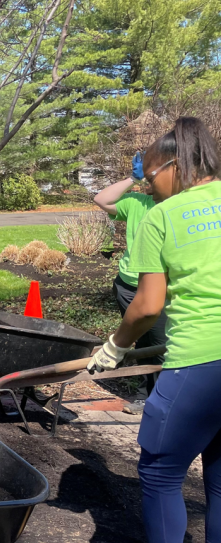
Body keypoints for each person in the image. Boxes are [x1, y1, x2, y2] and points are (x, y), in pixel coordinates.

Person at [87, 117, 221, 543]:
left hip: (200, 363)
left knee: (161, 472)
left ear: (176, 166)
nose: (151, 185)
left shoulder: (163, 216)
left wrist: (115, 346)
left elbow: (146, 306)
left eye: (151, 175)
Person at [93, 151, 167, 410]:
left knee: (158, 343)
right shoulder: (136, 202)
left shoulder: (175, 207)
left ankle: (153, 397)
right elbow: (101, 198)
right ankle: (146, 395)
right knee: (146, 339)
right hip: (127, 285)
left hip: (160, 285)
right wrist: (132, 178)